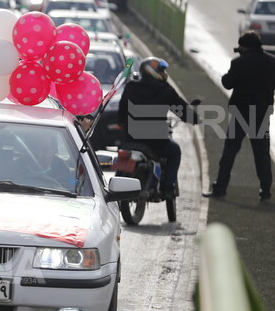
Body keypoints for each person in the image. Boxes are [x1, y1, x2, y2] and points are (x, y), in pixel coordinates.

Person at [205, 31, 275, 200]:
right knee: (262, 154)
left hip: (241, 114)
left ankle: (220, 188)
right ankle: (265, 191)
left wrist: (226, 76)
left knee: (230, 152)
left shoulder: (238, 62)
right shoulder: (272, 62)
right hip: (261, 115)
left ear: (244, 46)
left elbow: (228, 84)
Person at [117, 56, 199, 198]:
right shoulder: (165, 90)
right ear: (152, 71)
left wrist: (124, 125)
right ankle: (167, 188)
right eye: (161, 70)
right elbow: (182, 110)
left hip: (131, 139)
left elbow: (121, 113)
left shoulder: (131, 87)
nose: (164, 73)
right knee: (175, 152)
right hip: (156, 142)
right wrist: (195, 118)